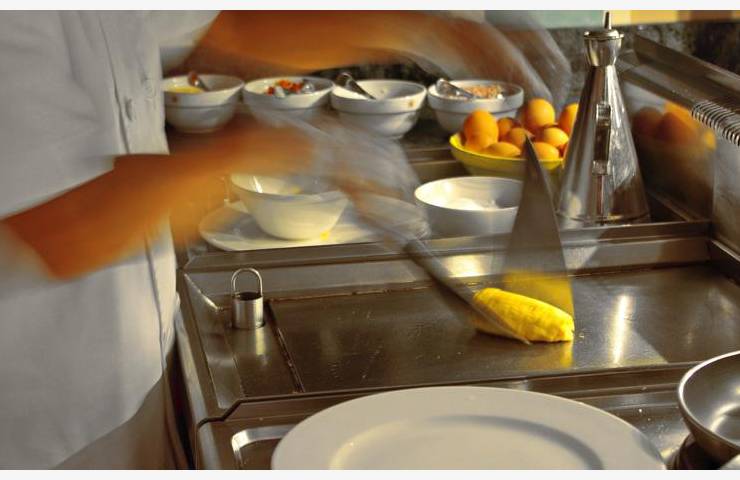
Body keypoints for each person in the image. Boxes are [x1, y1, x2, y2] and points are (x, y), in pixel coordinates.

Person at [0, 11, 564, 468]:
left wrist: (427, 30)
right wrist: (284, 147)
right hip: (42, 425)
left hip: (131, 380)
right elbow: (62, 230)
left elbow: (227, 28)